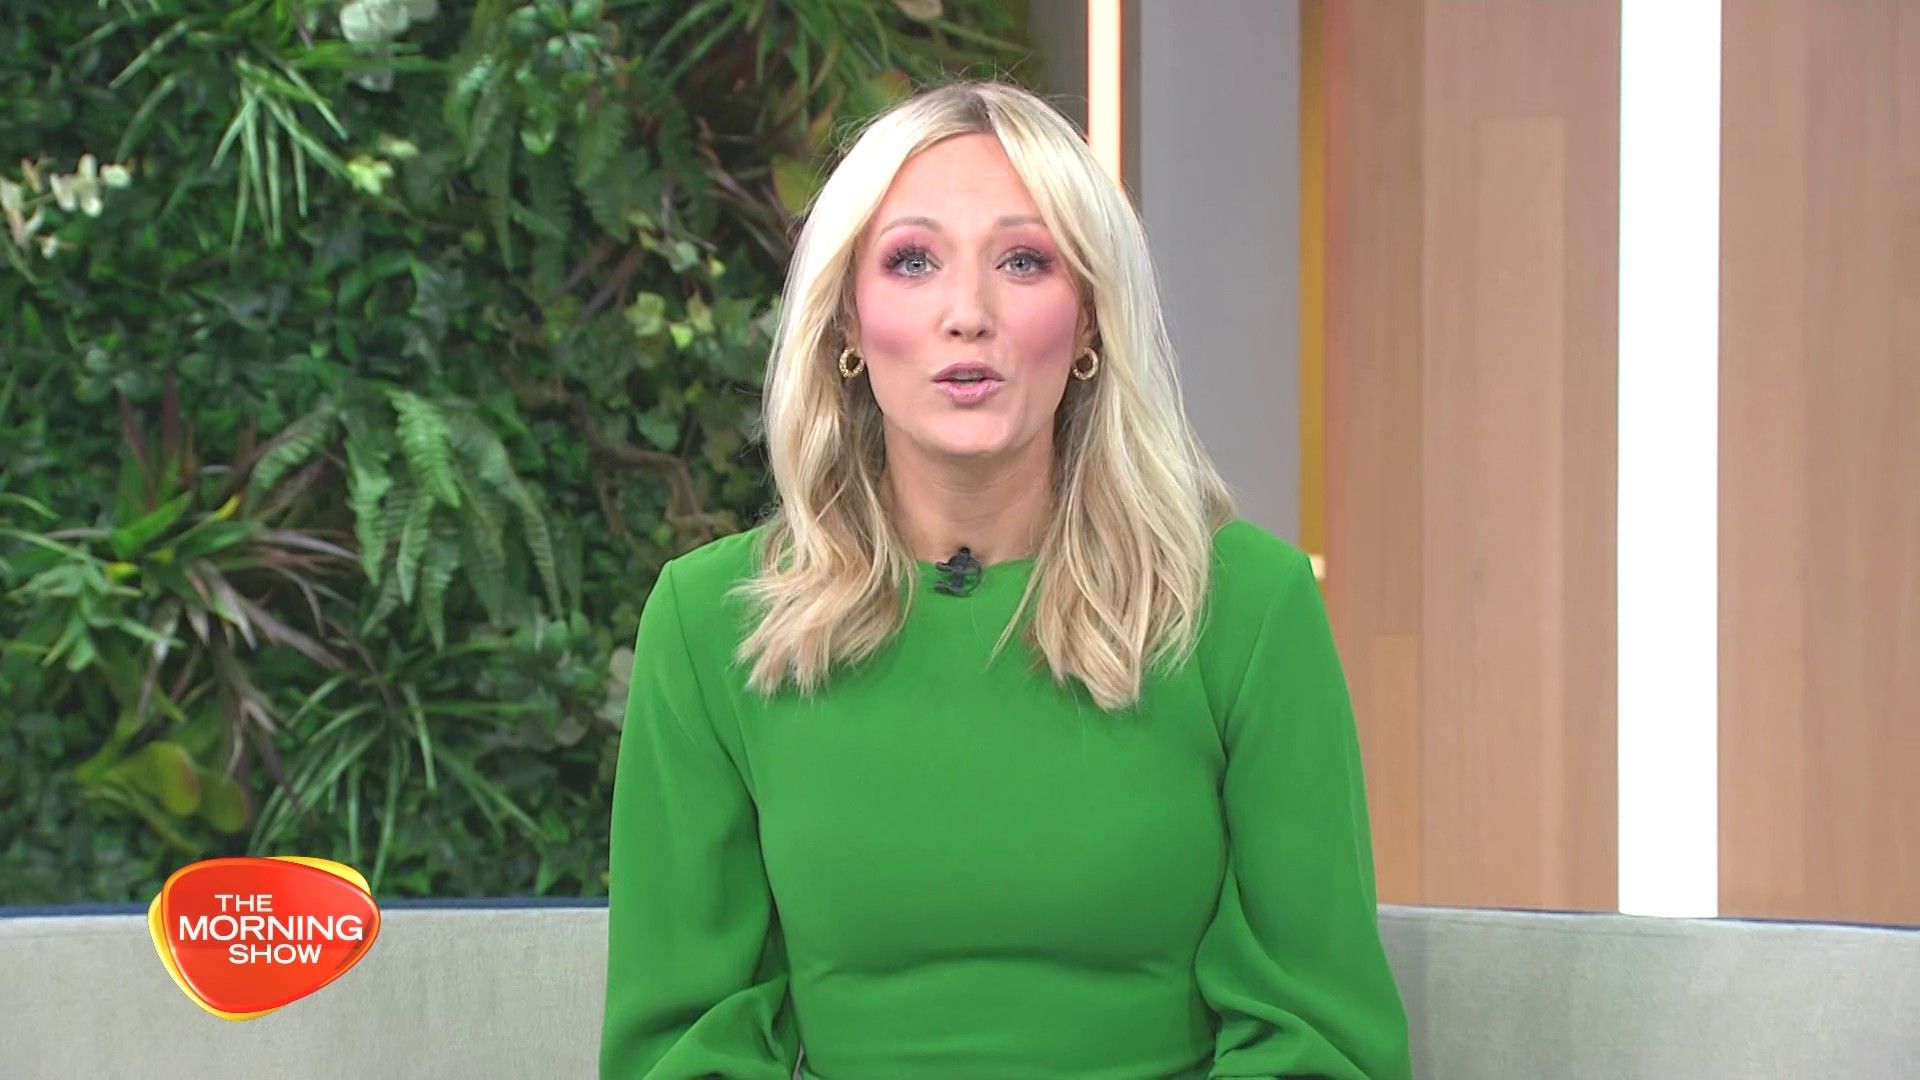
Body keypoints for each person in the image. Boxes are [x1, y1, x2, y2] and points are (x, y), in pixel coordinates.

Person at [599, 77, 1412, 1080]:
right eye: (912, 261)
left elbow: (1317, 1041)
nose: (968, 314)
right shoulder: (708, 624)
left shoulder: (1247, 607)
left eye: (1023, 261)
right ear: (847, 323)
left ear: (1091, 322)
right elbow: (684, 1050)